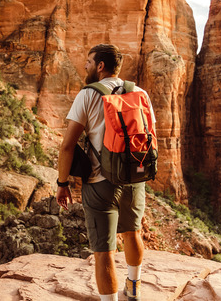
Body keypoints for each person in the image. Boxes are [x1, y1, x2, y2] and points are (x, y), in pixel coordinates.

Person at [56, 44, 154, 301]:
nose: (85, 66)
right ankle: (133, 287)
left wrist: (62, 183)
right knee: (133, 232)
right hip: (134, 176)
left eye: (89, 62)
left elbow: (67, 146)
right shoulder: (140, 92)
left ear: (100, 66)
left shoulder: (87, 95)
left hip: (100, 182)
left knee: (104, 251)